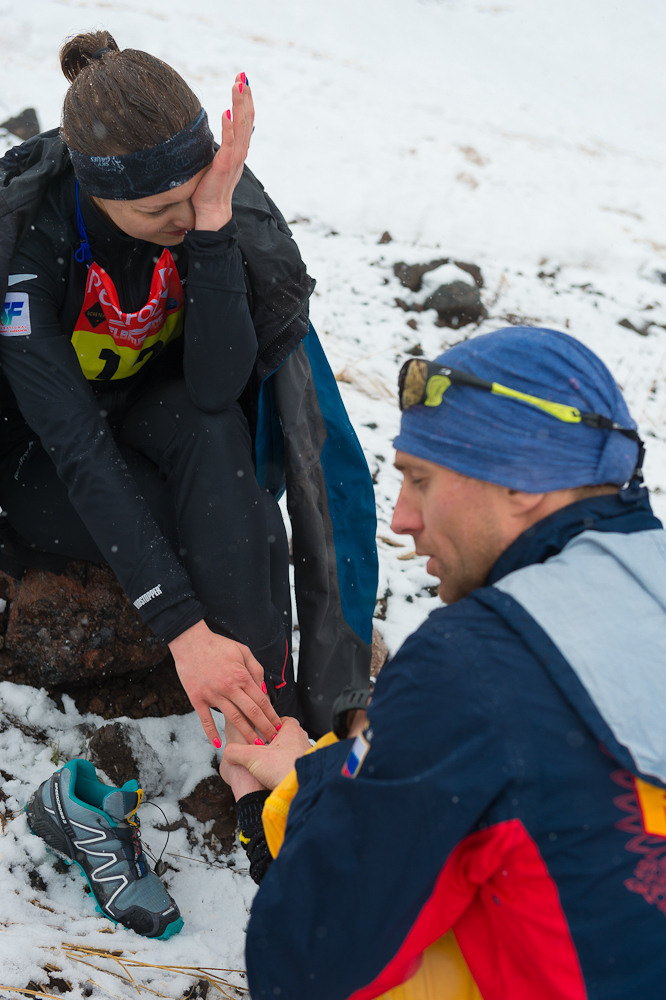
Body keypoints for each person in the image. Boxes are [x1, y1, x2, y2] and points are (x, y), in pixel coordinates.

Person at [222, 325, 666, 999]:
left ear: (523, 480)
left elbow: (305, 961)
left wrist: (278, 812)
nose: (401, 518)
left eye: (420, 479)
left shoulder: (477, 661)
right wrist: (326, 771)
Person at [0, 31, 378, 745]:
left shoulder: (205, 211)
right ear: (96, 190)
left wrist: (210, 232)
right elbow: (76, 443)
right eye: (156, 211)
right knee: (229, 530)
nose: (177, 217)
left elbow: (214, 386)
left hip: (152, 407)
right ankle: (264, 740)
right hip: (40, 454)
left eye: (192, 195)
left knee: (218, 452)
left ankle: (266, 750)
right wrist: (182, 628)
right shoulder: (33, 246)